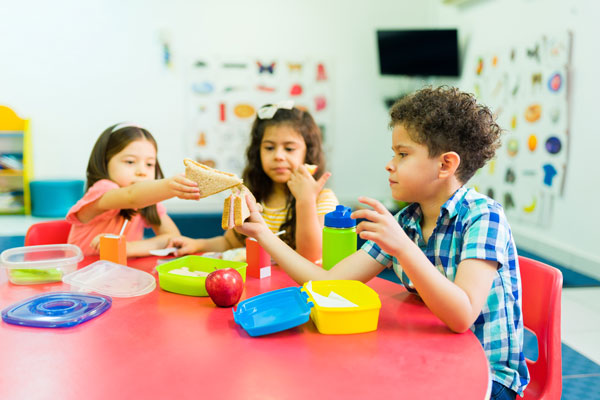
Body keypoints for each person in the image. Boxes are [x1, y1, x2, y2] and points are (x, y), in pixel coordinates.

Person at [236, 87, 529, 400]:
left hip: (488, 379)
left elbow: (462, 316)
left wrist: (403, 248)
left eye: (402, 154)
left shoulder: (483, 217)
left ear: (445, 165)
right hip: (432, 358)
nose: (390, 164)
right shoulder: (407, 221)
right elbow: (327, 282)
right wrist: (263, 234)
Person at [169, 101, 338, 261]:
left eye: (289, 148)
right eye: (269, 147)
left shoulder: (322, 199)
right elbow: (231, 244)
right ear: (258, 152)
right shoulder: (253, 196)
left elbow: (310, 257)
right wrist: (198, 244)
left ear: (308, 152)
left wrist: (305, 200)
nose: (278, 156)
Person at [67, 123, 201, 256]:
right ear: (105, 162)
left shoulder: (147, 200)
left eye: (149, 164)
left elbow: (173, 237)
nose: (142, 171)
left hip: (121, 274)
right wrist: (171, 186)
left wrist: (128, 248)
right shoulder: (104, 189)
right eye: (130, 162)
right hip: (82, 274)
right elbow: (131, 197)